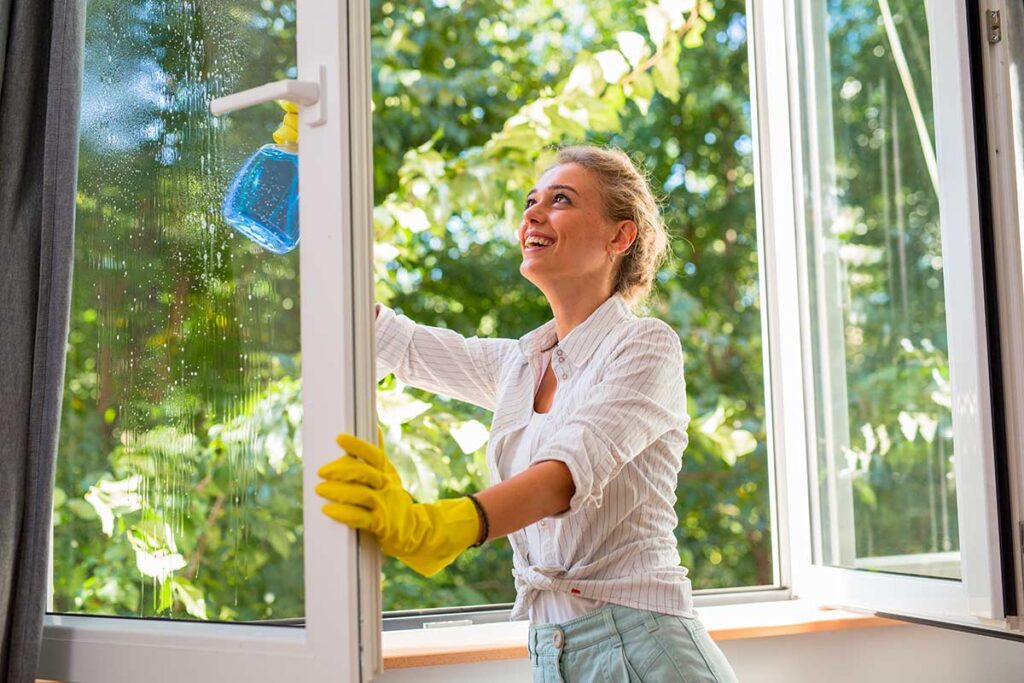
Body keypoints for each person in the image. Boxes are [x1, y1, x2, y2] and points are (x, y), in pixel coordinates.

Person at [315, 144, 739, 682]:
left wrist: (444, 524)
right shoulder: (519, 364)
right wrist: (317, 197)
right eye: (530, 201)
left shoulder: (646, 346)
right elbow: (392, 340)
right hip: (550, 652)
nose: (532, 214)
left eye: (560, 200)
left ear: (620, 236)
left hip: (645, 648)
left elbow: (565, 474)